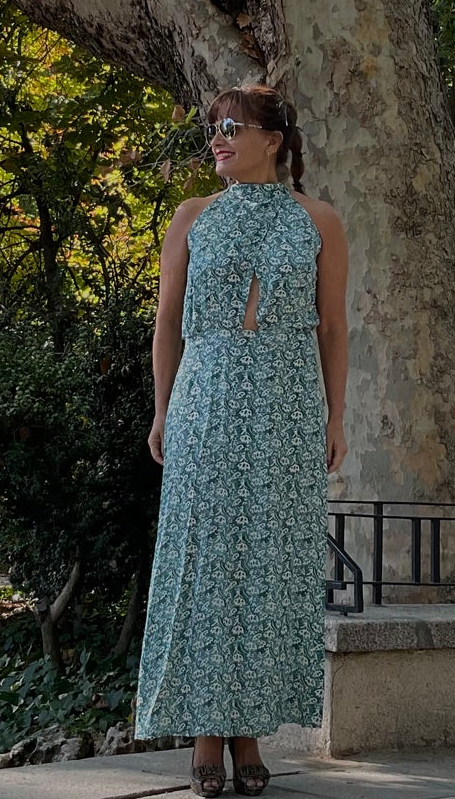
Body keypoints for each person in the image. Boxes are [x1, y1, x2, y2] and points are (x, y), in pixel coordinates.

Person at [132, 84, 349, 796]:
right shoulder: (191, 216)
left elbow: (333, 329)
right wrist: (163, 412)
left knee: (269, 567)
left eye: (231, 126)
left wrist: (336, 418)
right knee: (206, 559)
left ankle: (250, 731)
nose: (217, 138)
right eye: (213, 128)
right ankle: (204, 732)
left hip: (287, 404)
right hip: (207, 398)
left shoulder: (320, 219)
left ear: (273, 140)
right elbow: (166, 323)